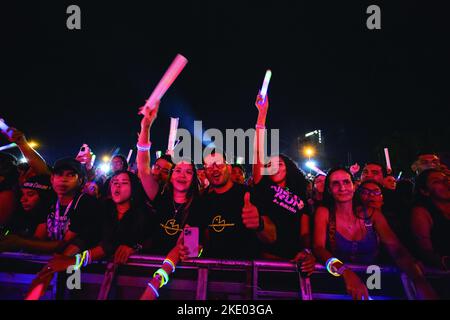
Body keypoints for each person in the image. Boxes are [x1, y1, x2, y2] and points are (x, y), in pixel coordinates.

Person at [313, 167, 437, 300]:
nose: (342, 188)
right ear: (329, 190)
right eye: (335, 184)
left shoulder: (372, 215)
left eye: (346, 182)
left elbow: (396, 249)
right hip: (339, 281)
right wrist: (345, 272)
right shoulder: (324, 213)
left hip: (374, 280)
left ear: (354, 186)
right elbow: (319, 249)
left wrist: (418, 280)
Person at [249, 92, 314, 271]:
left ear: (289, 169)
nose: (275, 166)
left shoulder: (300, 194)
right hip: (265, 260)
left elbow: (305, 231)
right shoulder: (263, 184)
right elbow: (258, 151)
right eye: (270, 164)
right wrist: (262, 114)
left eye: (280, 163)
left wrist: (307, 251)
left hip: (295, 262)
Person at [42, 171, 154, 275]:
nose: (118, 186)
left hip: (132, 275)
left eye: (124, 183)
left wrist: (75, 260)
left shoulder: (144, 213)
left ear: (134, 188)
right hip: (94, 273)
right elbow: (87, 235)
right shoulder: (102, 207)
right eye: (115, 182)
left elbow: (115, 242)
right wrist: (65, 257)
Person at [184, 151, 276, 260]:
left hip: (246, 271)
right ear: (205, 172)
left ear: (229, 168)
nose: (214, 169)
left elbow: (272, 237)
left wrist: (259, 224)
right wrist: (187, 246)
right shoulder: (201, 201)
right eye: (209, 166)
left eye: (219, 164)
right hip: (212, 271)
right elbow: (191, 242)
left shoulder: (249, 194)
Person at [137, 100, 201, 255]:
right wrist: (145, 127)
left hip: (181, 270)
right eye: (178, 170)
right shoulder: (160, 196)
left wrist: (192, 250)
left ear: (194, 179)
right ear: (171, 177)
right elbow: (144, 168)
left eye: (188, 172)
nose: (182, 175)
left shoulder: (198, 205)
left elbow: (191, 249)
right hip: (150, 261)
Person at [0, 158, 102, 254]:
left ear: (80, 181)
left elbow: (64, 244)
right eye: (59, 174)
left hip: (77, 266)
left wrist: (21, 242)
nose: (63, 179)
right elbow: (39, 237)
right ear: (52, 179)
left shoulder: (86, 203)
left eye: (70, 175)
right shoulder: (49, 201)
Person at [411, 169, 450, 270]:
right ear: (424, 191)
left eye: (446, 180)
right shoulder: (421, 212)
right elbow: (425, 252)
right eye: (437, 181)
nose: (446, 184)